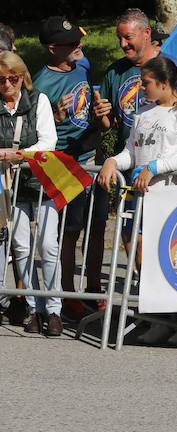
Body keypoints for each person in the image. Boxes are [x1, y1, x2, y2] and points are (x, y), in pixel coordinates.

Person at [96, 56, 177, 344]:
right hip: (141, 198)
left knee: (174, 259)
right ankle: (159, 317)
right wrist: (111, 161)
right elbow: (132, 152)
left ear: (165, 83)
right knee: (139, 252)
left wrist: (156, 167)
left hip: (172, 199)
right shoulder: (143, 113)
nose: (141, 88)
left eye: (146, 83)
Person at [32, 16, 103, 323]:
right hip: (61, 164)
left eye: (79, 40)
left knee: (96, 226)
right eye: (72, 43)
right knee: (69, 232)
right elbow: (34, 131)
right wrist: (57, 119)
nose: (80, 46)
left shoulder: (82, 68)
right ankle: (67, 294)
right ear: (52, 49)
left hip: (90, 156)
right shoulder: (39, 83)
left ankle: (94, 290)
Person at [1, 52, 59, 335]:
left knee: (48, 246)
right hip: (10, 186)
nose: (8, 84)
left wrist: (17, 155)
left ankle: (54, 309)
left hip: (41, 182)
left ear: (22, 77)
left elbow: (49, 141)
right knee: (21, 248)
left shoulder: (39, 101)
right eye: (1, 80)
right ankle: (35, 309)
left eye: (13, 78)